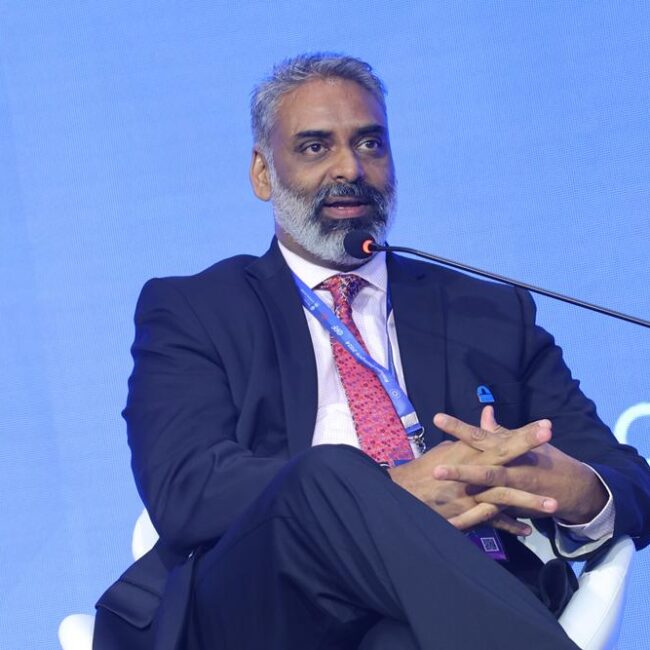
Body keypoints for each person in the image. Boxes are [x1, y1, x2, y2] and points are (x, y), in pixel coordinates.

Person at [94, 53, 650, 650]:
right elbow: (186, 485)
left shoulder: (487, 312)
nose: (349, 168)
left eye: (370, 144)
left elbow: (627, 478)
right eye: (315, 147)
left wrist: (576, 488)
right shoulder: (195, 308)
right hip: (268, 603)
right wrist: (392, 489)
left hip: (459, 590)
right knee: (326, 474)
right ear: (262, 173)